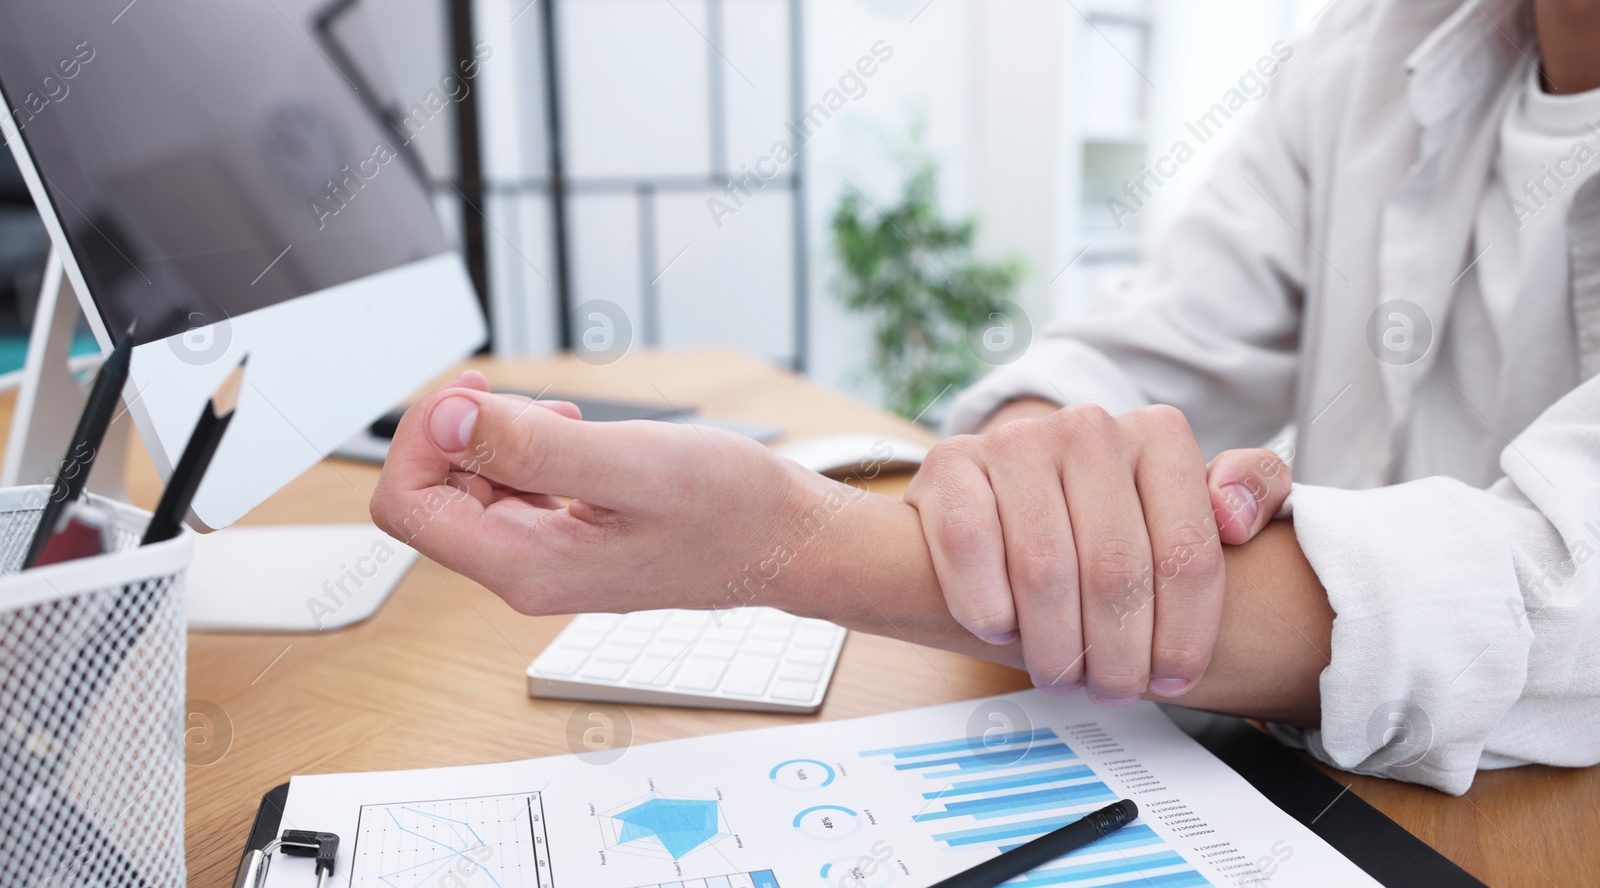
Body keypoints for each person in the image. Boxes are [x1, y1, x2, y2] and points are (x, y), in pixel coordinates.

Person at [372, 0, 1600, 796]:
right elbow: (1140, 343)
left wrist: (796, 544)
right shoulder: (1370, 48)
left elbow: (1552, 591)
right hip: (1306, 794)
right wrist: (1026, 469)